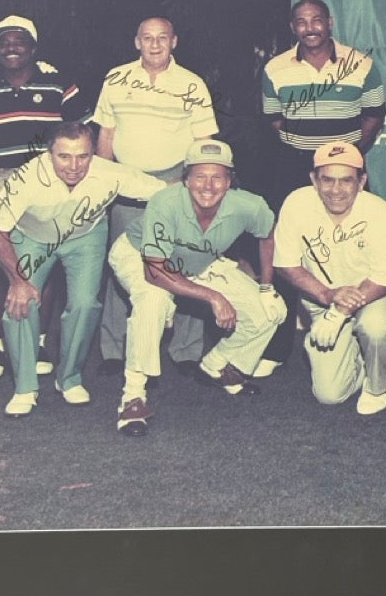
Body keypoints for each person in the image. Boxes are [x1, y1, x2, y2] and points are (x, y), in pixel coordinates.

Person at [0, 121, 165, 417]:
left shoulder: (109, 172)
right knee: (19, 303)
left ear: (93, 152)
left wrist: (207, 185)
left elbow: (163, 191)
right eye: (64, 156)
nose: (74, 166)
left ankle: (69, 379)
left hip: (85, 237)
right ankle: (25, 387)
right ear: (49, 153)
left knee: (84, 304)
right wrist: (17, 280)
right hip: (33, 237)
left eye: (82, 156)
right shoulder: (28, 177)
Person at [107, 139, 285, 435]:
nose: (208, 185)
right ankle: (133, 397)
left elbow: (267, 235)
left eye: (218, 176)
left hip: (197, 262)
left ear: (229, 180)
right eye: (200, 176)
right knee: (153, 301)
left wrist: (266, 287)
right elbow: (154, 272)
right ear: (186, 178)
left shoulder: (249, 204)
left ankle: (216, 366)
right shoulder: (166, 201)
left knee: (271, 312)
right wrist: (212, 296)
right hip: (139, 255)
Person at [0, 15, 89, 382]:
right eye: (3, 42)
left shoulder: (60, 85)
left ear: (33, 48)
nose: (11, 48)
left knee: (48, 262)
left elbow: (83, 130)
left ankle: (41, 343)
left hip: (48, 182)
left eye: (19, 41)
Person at [259, 0, 386, 374]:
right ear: (292, 26)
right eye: (301, 21)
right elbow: (273, 119)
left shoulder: (360, 63)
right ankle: (278, 347)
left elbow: (375, 114)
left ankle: (378, 341)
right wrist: (304, 153)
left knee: (367, 247)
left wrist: (349, 153)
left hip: (346, 165)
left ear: (330, 22)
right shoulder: (275, 67)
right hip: (294, 165)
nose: (310, 27)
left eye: (317, 20)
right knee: (287, 249)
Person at [93, 15, 219, 374]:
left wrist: (197, 187)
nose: (154, 44)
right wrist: (104, 183)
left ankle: (186, 350)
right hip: (127, 180)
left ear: (174, 41)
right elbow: (106, 134)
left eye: (162, 37)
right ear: (136, 42)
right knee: (124, 261)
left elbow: (204, 143)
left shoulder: (192, 84)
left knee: (185, 260)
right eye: (147, 38)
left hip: (177, 181)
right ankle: (115, 350)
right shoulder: (116, 78)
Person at [273, 141, 386, 415]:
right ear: (314, 179)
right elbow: (286, 265)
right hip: (322, 296)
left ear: (362, 181)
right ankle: (364, 358)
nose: (336, 190)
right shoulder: (296, 203)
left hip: (374, 292)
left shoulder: (379, 211)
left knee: (375, 327)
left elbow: (383, 278)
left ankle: (377, 384)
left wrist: (337, 313)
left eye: (346, 181)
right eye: (327, 180)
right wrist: (327, 296)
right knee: (329, 395)